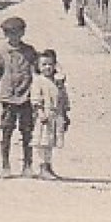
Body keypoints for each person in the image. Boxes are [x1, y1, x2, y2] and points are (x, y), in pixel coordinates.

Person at [0, 15, 40, 176]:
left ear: (22, 33)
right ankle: (5, 165)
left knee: (27, 131)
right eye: (9, 33)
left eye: (16, 33)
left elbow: (39, 68)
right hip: (8, 98)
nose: (13, 37)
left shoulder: (29, 51)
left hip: (26, 97)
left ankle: (28, 165)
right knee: (6, 131)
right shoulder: (2, 52)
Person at [29, 48, 71, 180]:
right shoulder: (38, 81)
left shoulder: (57, 82)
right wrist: (40, 112)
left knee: (50, 142)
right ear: (38, 66)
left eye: (50, 64)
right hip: (45, 116)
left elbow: (63, 98)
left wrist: (64, 113)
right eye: (44, 64)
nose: (47, 67)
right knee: (43, 142)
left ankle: (48, 166)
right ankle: (42, 167)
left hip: (56, 115)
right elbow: (35, 98)